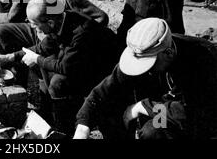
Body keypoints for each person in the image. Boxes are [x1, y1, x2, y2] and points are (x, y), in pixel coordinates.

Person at [0, 0, 121, 135]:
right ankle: (51, 118)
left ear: (50, 23)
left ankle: (64, 130)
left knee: (58, 83)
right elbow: (43, 48)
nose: (32, 27)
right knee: (48, 73)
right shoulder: (60, 20)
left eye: (34, 23)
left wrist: (37, 59)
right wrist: (8, 57)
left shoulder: (81, 32)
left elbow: (65, 68)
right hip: (81, 61)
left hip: (105, 70)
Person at [74, 17, 217, 139]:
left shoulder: (203, 59)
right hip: (159, 106)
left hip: (192, 119)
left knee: (154, 130)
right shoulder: (143, 47)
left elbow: (189, 113)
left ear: (168, 53)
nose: (143, 69)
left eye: (148, 64)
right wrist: (83, 126)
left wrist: (141, 106)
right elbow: (104, 91)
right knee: (108, 111)